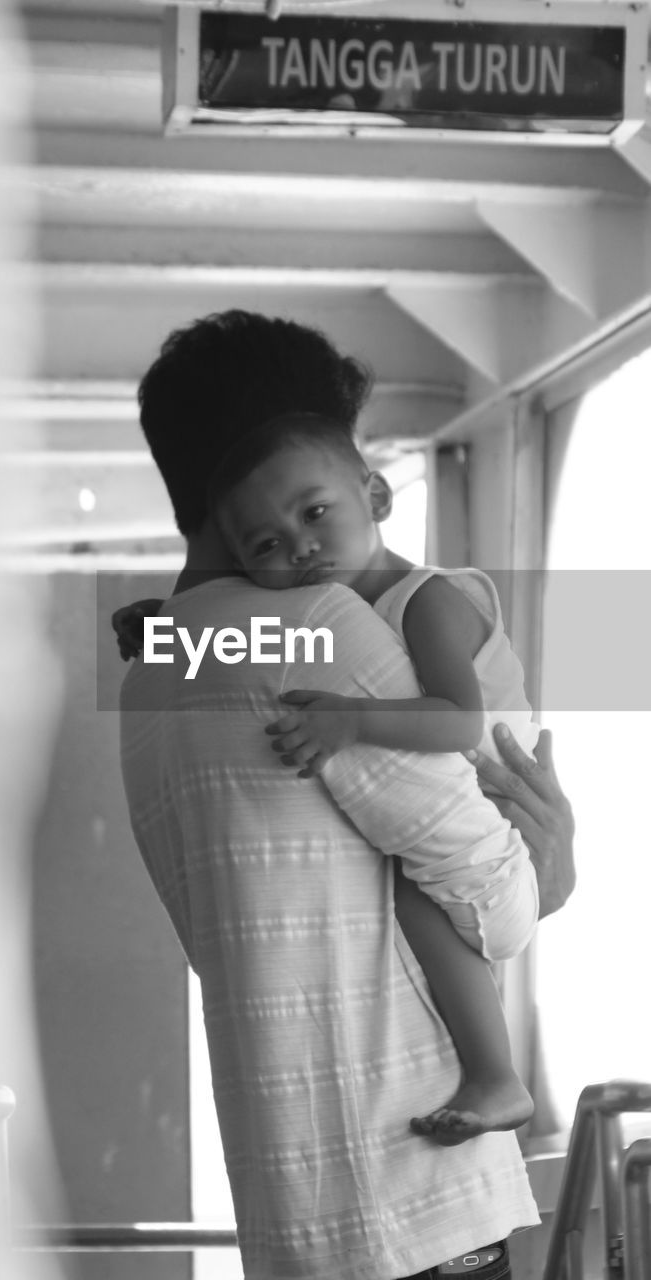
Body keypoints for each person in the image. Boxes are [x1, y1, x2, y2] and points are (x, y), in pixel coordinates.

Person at [118, 310, 575, 1280]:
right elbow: (493, 906)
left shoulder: (154, 664)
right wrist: (552, 863)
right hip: (411, 1197)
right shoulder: (313, 627)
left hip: (293, 1207)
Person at [206, 408, 538, 1144]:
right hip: (474, 807)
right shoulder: (333, 607)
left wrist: (350, 721)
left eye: (316, 512)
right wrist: (166, 622)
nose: (301, 548)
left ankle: (496, 1073)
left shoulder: (426, 599)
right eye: (267, 544)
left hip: (501, 808)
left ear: (377, 499)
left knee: (411, 891)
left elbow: (455, 719)